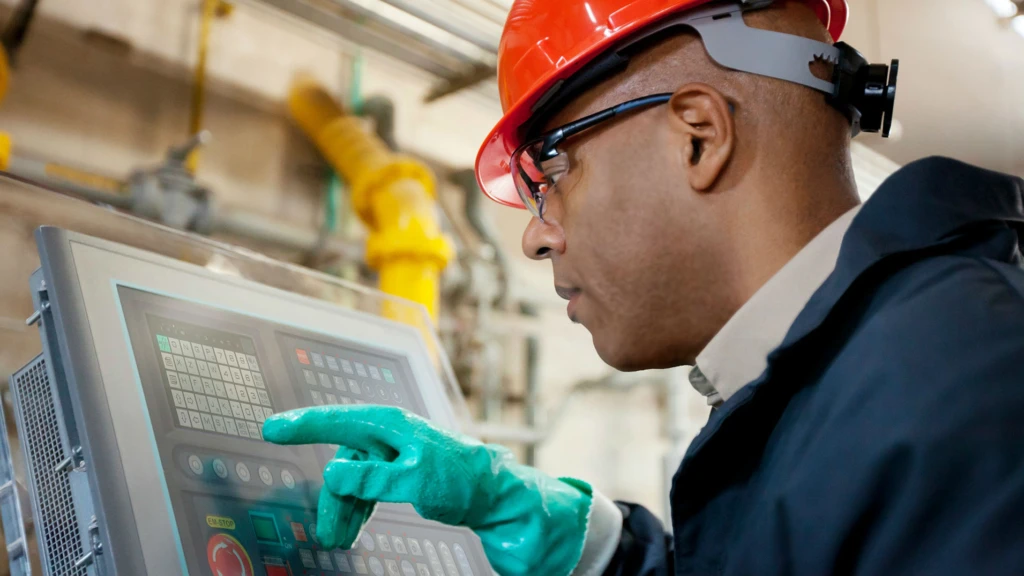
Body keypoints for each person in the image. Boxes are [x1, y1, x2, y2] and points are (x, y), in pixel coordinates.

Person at [263, 0, 1024, 574]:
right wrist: (578, 534)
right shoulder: (861, 380)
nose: (535, 235)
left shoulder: (960, 389)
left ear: (698, 135)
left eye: (551, 173)